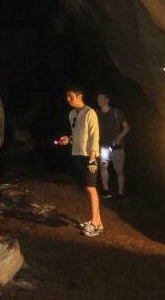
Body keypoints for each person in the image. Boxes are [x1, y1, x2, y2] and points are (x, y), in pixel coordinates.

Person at [60, 86, 102, 237]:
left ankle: (95, 224)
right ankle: (98, 220)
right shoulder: (72, 114)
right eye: (67, 97)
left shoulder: (90, 113)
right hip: (77, 153)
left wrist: (92, 159)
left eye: (71, 96)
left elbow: (94, 136)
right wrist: (68, 139)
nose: (68, 99)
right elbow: (77, 134)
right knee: (86, 186)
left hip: (89, 155)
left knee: (91, 187)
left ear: (80, 96)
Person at [96, 93, 130, 199]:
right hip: (103, 145)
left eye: (101, 98)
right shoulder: (97, 113)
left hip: (116, 146)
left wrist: (118, 138)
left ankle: (120, 193)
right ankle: (106, 190)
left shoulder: (116, 112)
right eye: (98, 98)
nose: (98, 100)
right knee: (103, 166)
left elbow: (126, 128)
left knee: (119, 170)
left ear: (107, 100)